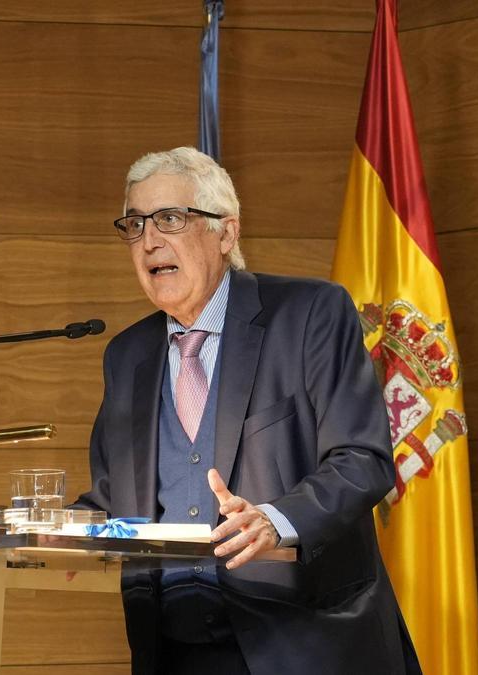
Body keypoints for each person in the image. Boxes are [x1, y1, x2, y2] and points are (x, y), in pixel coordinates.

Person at [74, 147, 420, 674]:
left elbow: (363, 458)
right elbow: (111, 499)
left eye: (170, 218)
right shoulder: (126, 356)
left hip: (302, 642)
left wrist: (277, 521)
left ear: (226, 233)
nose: (149, 240)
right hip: (172, 648)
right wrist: (41, 530)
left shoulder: (311, 314)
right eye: (136, 224)